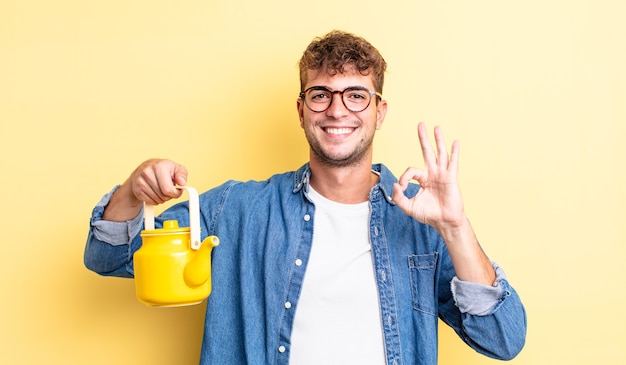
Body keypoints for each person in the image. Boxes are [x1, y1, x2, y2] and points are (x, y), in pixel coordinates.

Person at [84, 30, 526, 365]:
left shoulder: (423, 223)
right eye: (321, 95)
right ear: (301, 110)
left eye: (356, 96)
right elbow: (109, 256)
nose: (337, 110)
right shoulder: (235, 211)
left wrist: (454, 227)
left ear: (379, 112)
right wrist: (132, 189)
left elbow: (502, 339)